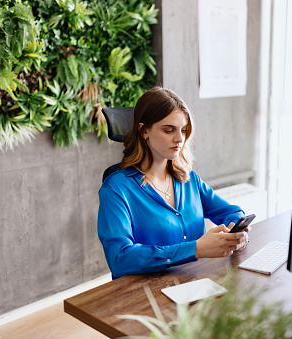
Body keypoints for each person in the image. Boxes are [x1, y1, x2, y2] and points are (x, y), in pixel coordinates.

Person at [98, 86, 249, 278]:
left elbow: (232, 212)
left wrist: (236, 232)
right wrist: (195, 249)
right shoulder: (116, 190)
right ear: (144, 131)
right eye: (169, 130)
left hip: (196, 285)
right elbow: (120, 259)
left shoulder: (188, 179)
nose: (179, 139)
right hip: (144, 295)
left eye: (184, 130)